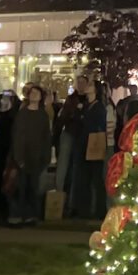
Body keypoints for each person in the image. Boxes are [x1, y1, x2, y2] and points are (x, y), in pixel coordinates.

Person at [8, 84, 52, 225]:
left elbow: (46, 137)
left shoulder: (42, 115)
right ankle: (18, 215)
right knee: (21, 187)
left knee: (33, 187)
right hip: (22, 156)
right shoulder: (22, 114)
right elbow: (17, 136)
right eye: (32, 93)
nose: (34, 95)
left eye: (37, 94)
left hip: (37, 157)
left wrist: (45, 156)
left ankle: (31, 215)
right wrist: (18, 156)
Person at [73, 77, 107, 220]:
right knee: (84, 178)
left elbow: (99, 125)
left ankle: (99, 210)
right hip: (84, 144)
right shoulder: (86, 105)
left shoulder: (99, 106)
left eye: (91, 85)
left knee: (96, 179)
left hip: (93, 144)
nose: (88, 86)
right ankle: (84, 210)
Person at [53, 75, 88, 203]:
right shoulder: (71, 99)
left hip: (81, 135)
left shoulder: (89, 99)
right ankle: (59, 194)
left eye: (83, 82)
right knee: (64, 163)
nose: (81, 85)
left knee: (76, 165)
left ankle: (73, 197)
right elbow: (63, 117)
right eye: (79, 82)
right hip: (70, 132)